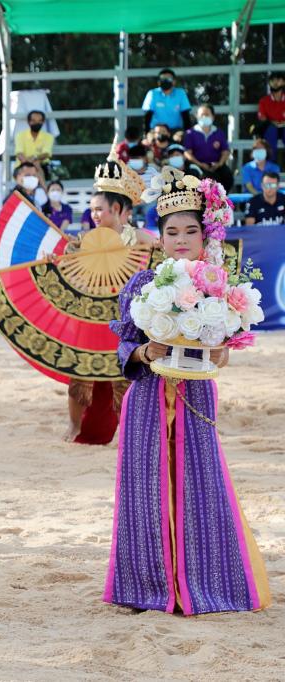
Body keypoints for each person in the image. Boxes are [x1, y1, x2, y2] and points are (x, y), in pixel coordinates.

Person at [105, 167, 271, 615]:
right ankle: (149, 586)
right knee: (146, 489)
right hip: (147, 399)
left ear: (203, 236)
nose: (181, 239)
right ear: (158, 239)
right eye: (172, 232)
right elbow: (122, 345)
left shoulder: (218, 287)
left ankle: (204, 581)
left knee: (200, 483)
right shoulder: (141, 286)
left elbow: (223, 346)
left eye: (190, 231)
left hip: (196, 397)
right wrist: (145, 352)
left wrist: (222, 354)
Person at [64, 152, 152, 444]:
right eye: (92, 210)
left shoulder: (141, 240)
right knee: (80, 373)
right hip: (91, 316)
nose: (94, 215)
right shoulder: (84, 242)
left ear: (116, 208)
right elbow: (71, 274)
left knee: (125, 377)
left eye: (98, 209)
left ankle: (128, 430)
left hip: (126, 319)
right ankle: (75, 426)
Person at [183, 104, 233, 190]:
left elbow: (225, 151)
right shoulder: (190, 133)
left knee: (227, 176)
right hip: (197, 165)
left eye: (207, 114)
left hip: (216, 165)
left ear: (213, 117)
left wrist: (220, 163)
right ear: (197, 116)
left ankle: (221, 200)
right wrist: (200, 164)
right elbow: (187, 153)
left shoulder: (219, 132)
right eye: (202, 114)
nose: (204, 117)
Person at [142, 68, 191, 132]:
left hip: (176, 131)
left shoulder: (180, 93)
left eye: (169, 79)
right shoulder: (152, 93)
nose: (165, 81)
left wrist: (186, 134)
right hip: (156, 131)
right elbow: (147, 116)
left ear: (174, 82)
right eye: (163, 79)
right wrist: (146, 134)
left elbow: (186, 116)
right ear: (159, 82)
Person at [14, 110, 54, 179]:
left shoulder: (49, 137)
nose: (37, 123)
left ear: (43, 122)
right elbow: (19, 154)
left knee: (36, 164)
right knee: (33, 167)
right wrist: (29, 163)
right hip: (22, 166)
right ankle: (45, 189)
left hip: (42, 166)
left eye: (39, 121)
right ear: (28, 122)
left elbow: (46, 154)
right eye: (34, 120)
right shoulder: (20, 136)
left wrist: (34, 159)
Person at [255, 72, 285, 161]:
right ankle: (271, 167)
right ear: (269, 83)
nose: (275, 82)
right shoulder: (264, 101)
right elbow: (262, 118)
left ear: (284, 82)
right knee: (271, 130)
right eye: (272, 80)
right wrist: (274, 123)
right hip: (271, 129)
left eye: (278, 80)